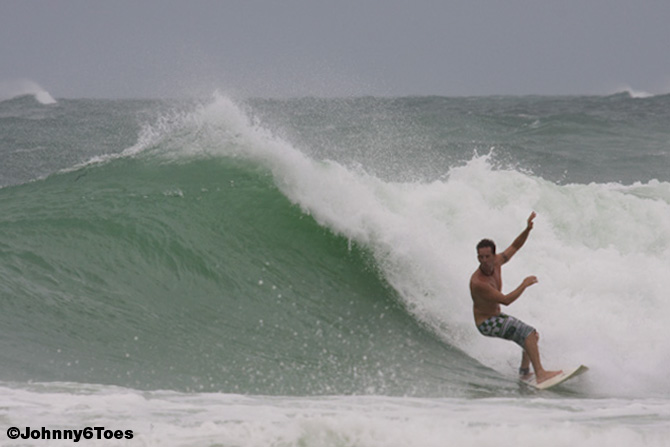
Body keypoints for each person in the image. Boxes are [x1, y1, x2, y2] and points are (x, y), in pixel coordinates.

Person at [469, 211, 561, 384]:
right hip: (486, 323)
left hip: (495, 316)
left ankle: (525, 372)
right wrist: (524, 284)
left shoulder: (497, 262)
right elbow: (506, 300)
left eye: (487, 256)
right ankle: (540, 374)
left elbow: (515, 246)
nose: (484, 260)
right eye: (480, 257)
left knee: (532, 336)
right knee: (527, 333)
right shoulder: (478, 282)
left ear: (493, 255)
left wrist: (527, 229)